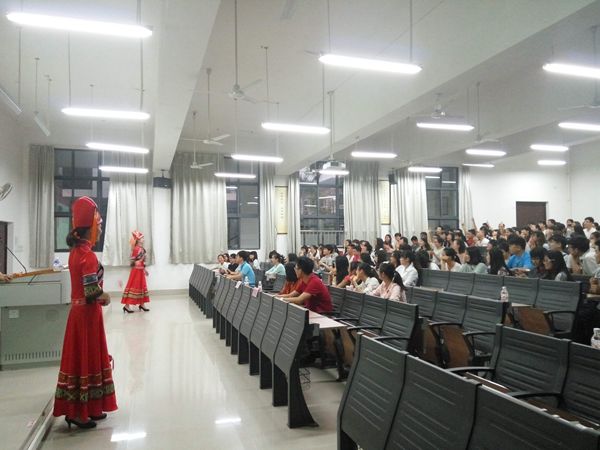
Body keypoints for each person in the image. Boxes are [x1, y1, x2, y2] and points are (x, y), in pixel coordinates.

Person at [53, 196, 117, 429]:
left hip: (80, 314)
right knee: (86, 358)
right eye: (98, 224)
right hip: (87, 315)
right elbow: (91, 291)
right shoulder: (87, 255)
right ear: (89, 227)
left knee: (83, 359)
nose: (99, 227)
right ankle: (79, 413)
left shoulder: (76, 251)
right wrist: (106, 296)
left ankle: (89, 408)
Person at [121, 230, 150, 313]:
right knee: (133, 286)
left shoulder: (142, 249)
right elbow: (132, 260)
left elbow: (143, 261)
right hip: (136, 271)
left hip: (140, 271)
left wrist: (144, 269)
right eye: (142, 238)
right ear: (138, 240)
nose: (143, 239)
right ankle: (126, 306)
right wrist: (135, 262)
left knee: (142, 286)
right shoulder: (136, 249)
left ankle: (142, 304)